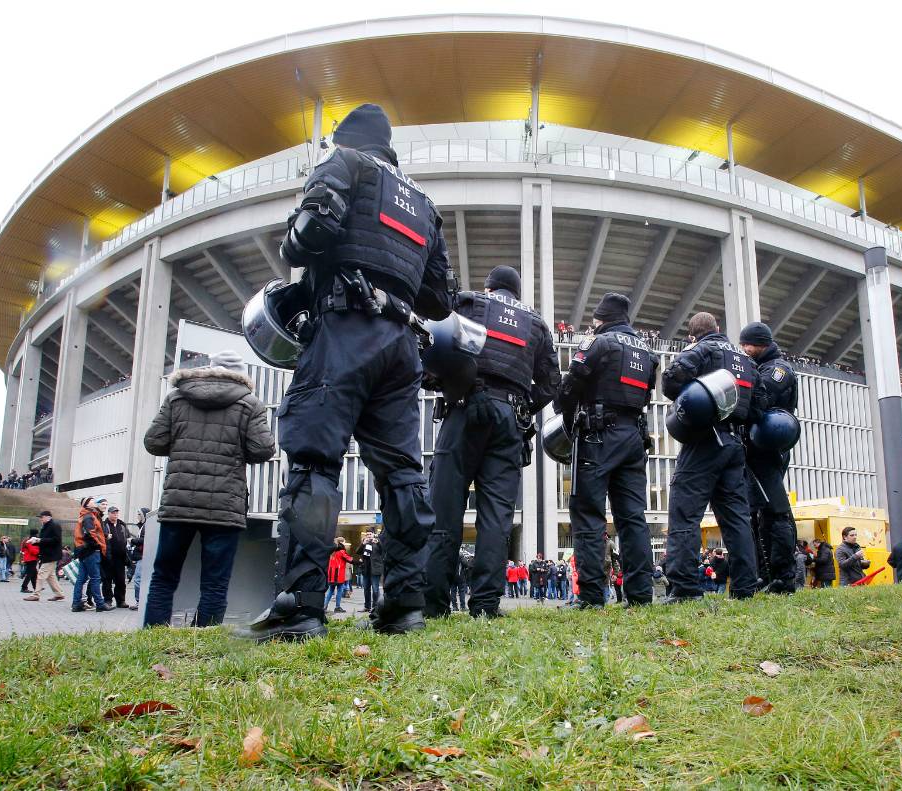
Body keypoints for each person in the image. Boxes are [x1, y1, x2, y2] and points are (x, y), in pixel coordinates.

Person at [241, 104, 454, 642]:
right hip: (401, 345)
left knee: (314, 462)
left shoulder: (346, 162)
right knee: (403, 472)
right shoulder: (425, 205)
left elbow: (315, 226)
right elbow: (439, 297)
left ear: (348, 137)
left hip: (343, 329)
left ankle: (301, 605)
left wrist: (293, 247)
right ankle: (404, 604)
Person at [423, 265, 559, 619]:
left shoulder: (469, 303)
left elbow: (437, 343)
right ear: (516, 292)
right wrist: (524, 406)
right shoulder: (537, 324)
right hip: (510, 419)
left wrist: (441, 384)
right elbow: (550, 383)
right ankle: (485, 605)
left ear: (490, 286)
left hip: (465, 408)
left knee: (444, 507)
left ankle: (434, 603)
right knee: (497, 516)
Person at [142, 350, 277, 628]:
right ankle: (204, 638)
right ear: (241, 374)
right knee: (215, 581)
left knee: (164, 576)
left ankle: (153, 634)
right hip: (224, 505)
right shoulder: (250, 404)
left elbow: (154, 442)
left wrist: (183, 447)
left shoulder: (176, 397)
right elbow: (263, 449)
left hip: (178, 499)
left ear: (209, 368)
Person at [554, 292, 658, 609]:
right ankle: (640, 595)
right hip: (633, 437)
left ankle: (590, 596)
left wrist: (569, 418)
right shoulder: (648, 352)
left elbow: (570, 386)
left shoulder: (598, 343)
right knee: (632, 518)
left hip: (598, 436)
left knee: (588, 515)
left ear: (601, 319)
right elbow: (646, 397)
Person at [660, 312, 761, 603]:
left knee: (684, 512)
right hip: (734, 444)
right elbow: (759, 405)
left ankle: (685, 588)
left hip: (705, 438)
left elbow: (670, 382)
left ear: (693, 335)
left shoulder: (700, 349)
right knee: (736, 518)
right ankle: (744, 588)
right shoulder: (746, 361)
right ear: (718, 329)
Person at [739, 321, 799, 593]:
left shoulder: (778, 370)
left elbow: (758, 397)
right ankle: (766, 573)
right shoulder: (762, 366)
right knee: (759, 512)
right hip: (756, 447)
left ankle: (784, 576)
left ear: (760, 343)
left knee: (776, 511)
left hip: (768, 448)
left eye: (746, 344)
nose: (743, 349)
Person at [71, 498, 111, 612]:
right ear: (87, 504)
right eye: (92, 500)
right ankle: (99, 603)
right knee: (95, 578)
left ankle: (76, 603)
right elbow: (91, 533)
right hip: (91, 551)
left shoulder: (84, 515)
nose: (94, 502)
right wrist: (98, 545)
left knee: (81, 578)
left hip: (83, 550)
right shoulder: (89, 516)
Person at [26, 511, 64, 602]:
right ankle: (59, 594)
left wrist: (39, 540)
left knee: (41, 574)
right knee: (51, 576)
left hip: (51, 555)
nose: (40, 519)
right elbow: (46, 541)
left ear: (48, 517)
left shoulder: (54, 525)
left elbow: (56, 540)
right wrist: (36, 542)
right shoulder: (46, 526)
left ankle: (36, 595)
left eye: (42, 517)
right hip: (48, 554)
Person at [100, 507, 130, 608]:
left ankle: (121, 600)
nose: (115, 515)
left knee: (121, 580)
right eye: (113, 513)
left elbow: (127, 537)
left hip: (121, 558)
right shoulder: (104, 525)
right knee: (107, 580)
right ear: (108, 514)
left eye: (116, 513)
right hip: (108, 558)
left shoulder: (122, 525)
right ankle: (108, 600)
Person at [324, 538, 353, 614]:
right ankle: (337, 607)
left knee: (330, 590)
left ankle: (324, 606)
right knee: (339, 590)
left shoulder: (331, 552)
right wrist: (359, 562)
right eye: (344, 542)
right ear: (341, 542)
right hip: (338, 574)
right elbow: (349, 559)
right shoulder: (341, 551)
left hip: (331, 575)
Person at [358, 531, 383, 613]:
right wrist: (362, 544)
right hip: (366, 570)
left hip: (375, 570)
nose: (368, 536)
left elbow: (383, 551)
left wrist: (378, 543)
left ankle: (376, 607)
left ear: (373, 535)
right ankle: (367, 607)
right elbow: (358, 552)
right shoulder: (364, 543)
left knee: (375, 589)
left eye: (370, 534)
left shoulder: (377, 542)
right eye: (367, 534)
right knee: (366, 589)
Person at [19, 529, 40, 594]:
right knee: (30, 574)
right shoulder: (31, 540)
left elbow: (22, 549)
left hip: (28, 558)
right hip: (32, 558)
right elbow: (32, 550)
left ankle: (36, 587)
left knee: (34, 574)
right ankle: (24, 587)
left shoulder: (26, 539)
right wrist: (39, 553)